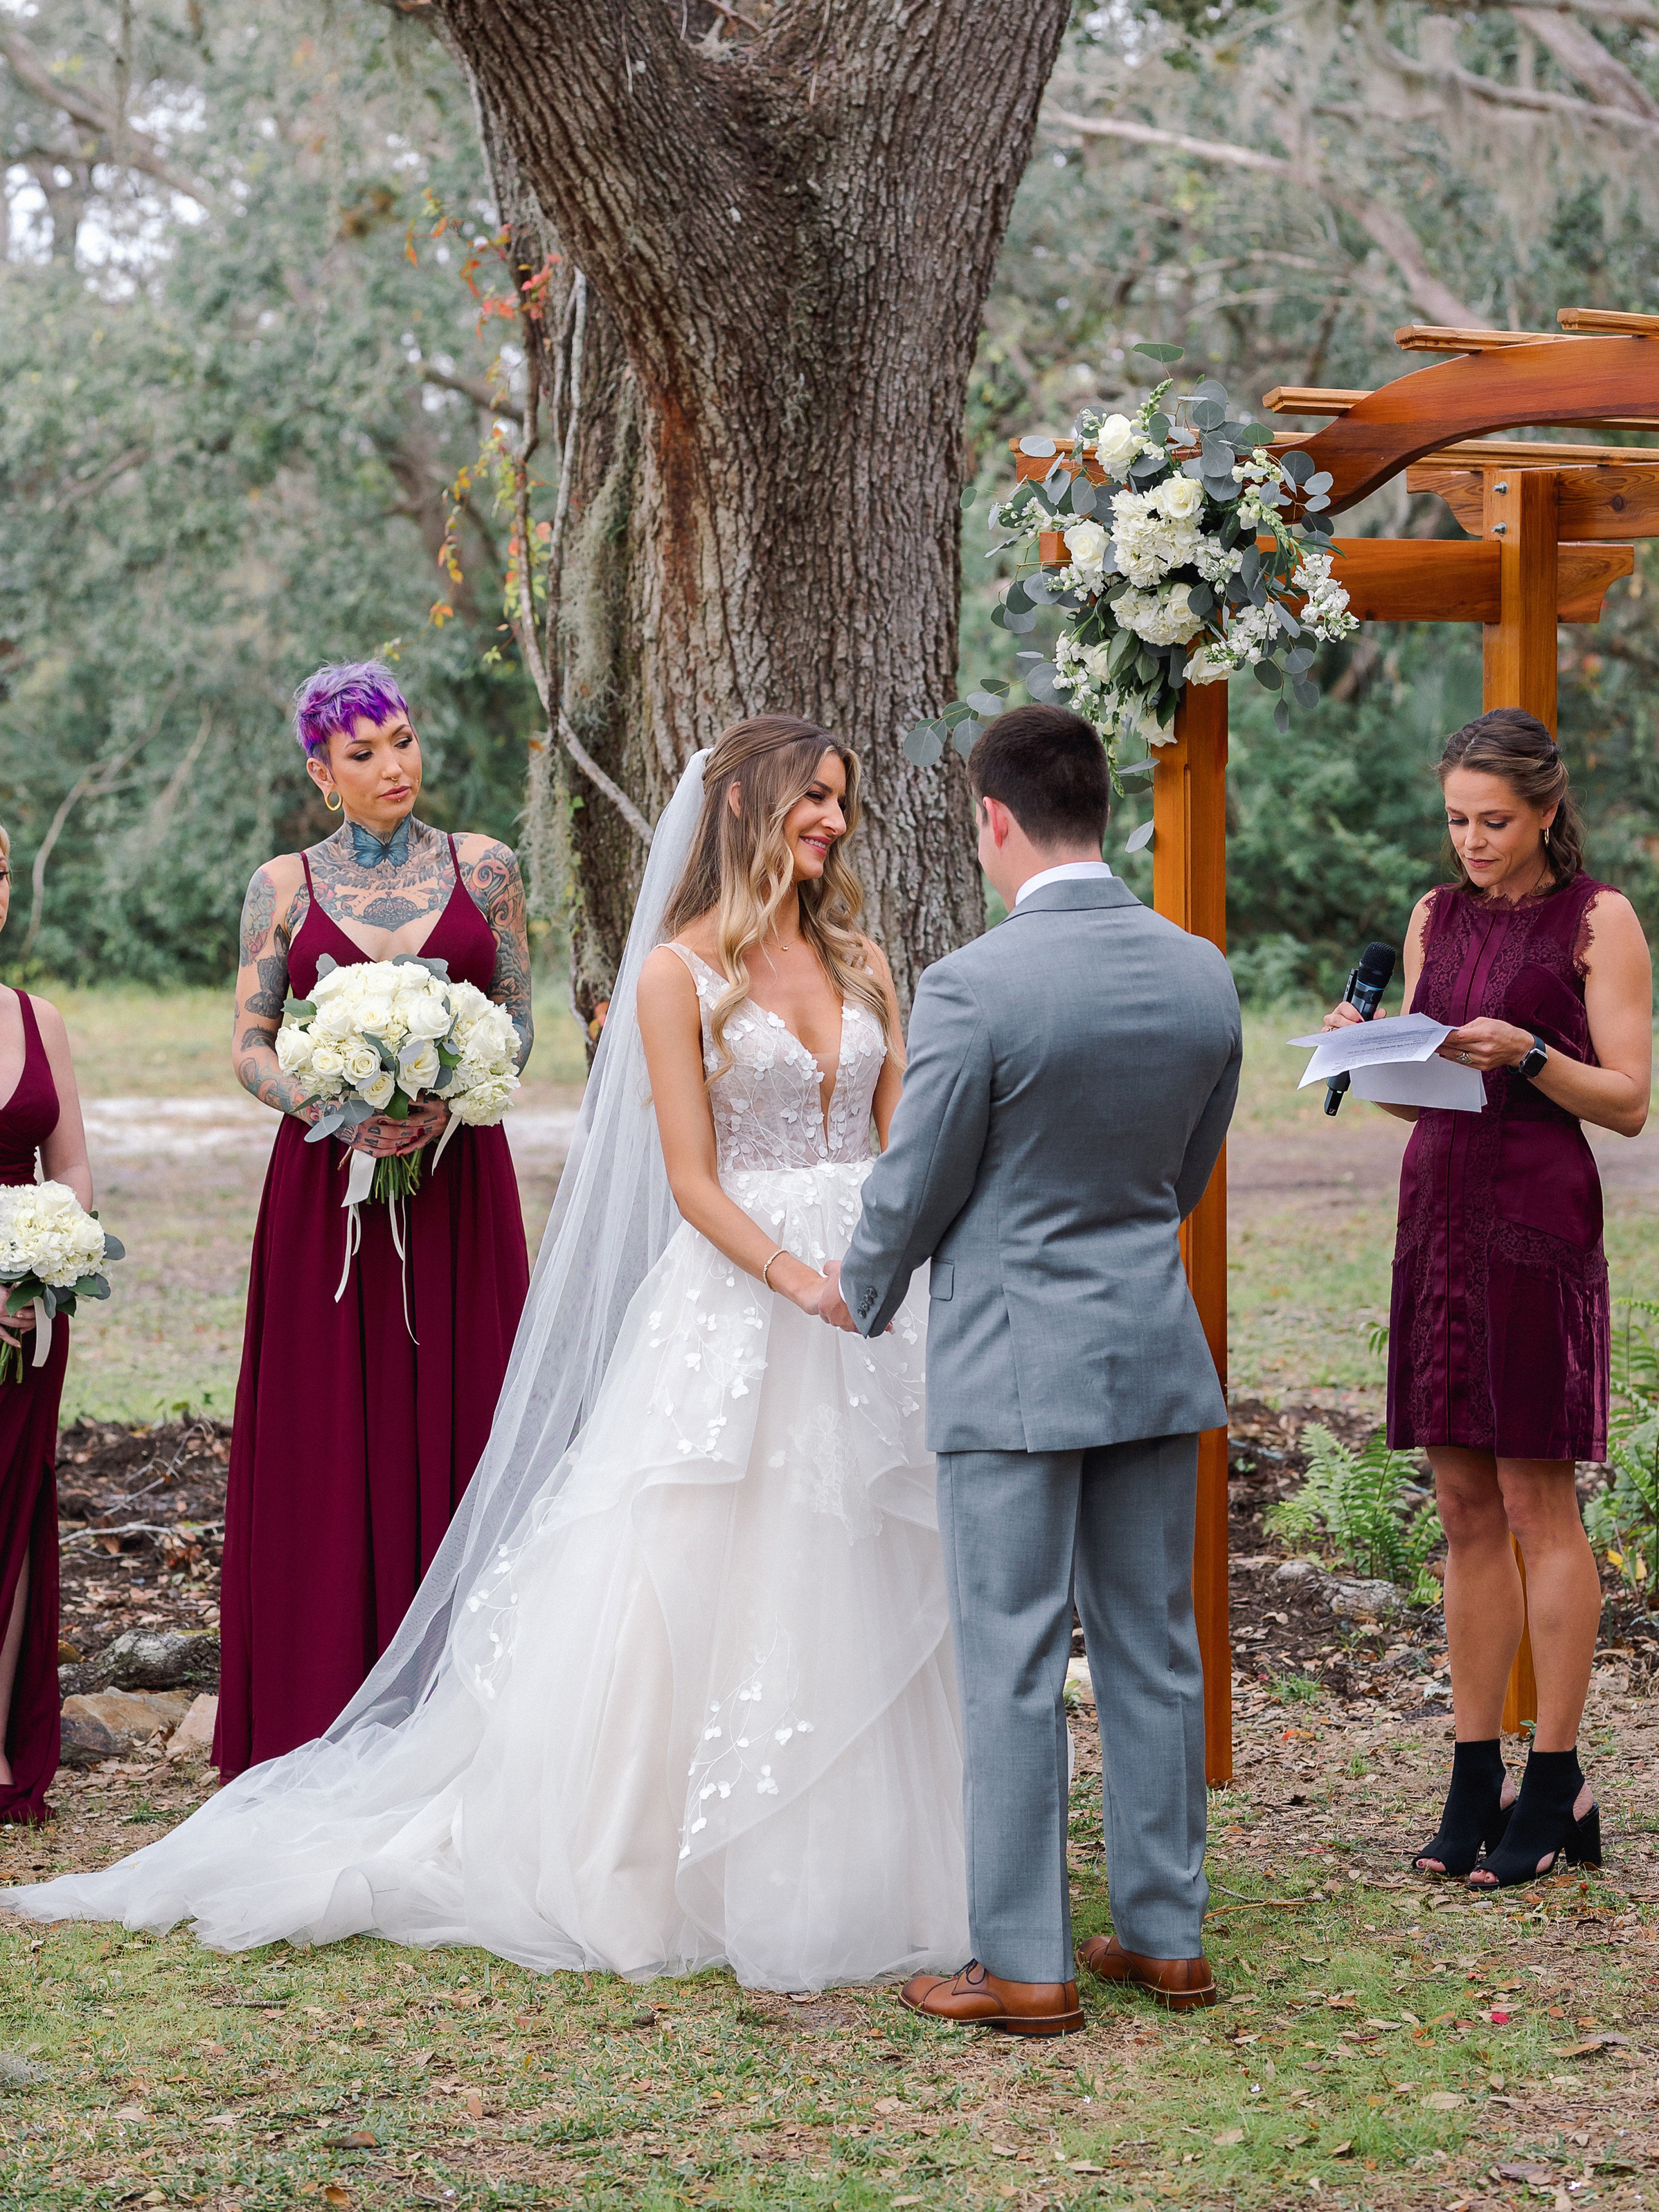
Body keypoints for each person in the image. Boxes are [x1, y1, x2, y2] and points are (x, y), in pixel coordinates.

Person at [5, 715, 967, 1990]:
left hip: (874, 1289)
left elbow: (897, 1141)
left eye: (841, 803)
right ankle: (677, 1853)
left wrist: (901, 1265)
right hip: (750, 1295)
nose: (833, 824)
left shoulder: (862, 960)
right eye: (812, 801)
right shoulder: (680, 973)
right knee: (719, 1551)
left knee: (870, 1546)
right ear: (745, 809)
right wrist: (800, 1277)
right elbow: (690, 1178)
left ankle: (890, 1852)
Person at [830, 705, 1244, 2037]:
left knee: (1009, 1659)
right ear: (1100, 811)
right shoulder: (1200, 975)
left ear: (995, 820)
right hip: (1148, 1347)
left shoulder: (974, 986)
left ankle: (1026, 1964)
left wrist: (863, 1288)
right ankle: (1166, 1936)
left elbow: (921, 1177)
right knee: (1154, 1652)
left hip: (1014, 1363)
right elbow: (1181, 1178)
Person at [1324, 708, 1651, 1891]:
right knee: (1461, 1503)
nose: (1472, 840)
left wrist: (1526, 1054)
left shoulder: (1600, 920)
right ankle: (1476, 1775)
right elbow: (1425, 1094)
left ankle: (1556, 1777)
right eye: (1458, 819)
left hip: (1536, 1219)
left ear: (1548, 811)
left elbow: (1626, 1102)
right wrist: (1365, 1059)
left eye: (1495, 821)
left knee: (1532, 1499)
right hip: (1440, 1212)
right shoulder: (1433, 917)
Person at [215, 660, 532, 1776]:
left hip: (458, 1192)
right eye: (364, 752)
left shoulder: (486, 869)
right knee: (325, 1439)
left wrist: (451, 1093)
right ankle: (321, 1710)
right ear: (321, 772)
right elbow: (251, 1041)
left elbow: (523, 1026)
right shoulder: (283, 886)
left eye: (402, 739)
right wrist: (330, 1102)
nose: (394, 765)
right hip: (325, 1195)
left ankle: (471, 1719)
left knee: (473, 1418)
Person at [0, 820, 96, 1821]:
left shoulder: (39, 1019)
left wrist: (43, 1262)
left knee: (17, 1505)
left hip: (27, 1313)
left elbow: (69, 1169)